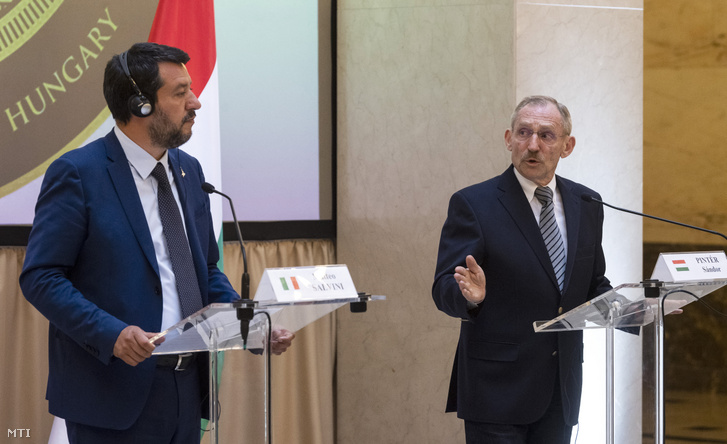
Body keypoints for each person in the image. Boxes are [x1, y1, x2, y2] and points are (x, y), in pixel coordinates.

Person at [20, 42, 294, 443]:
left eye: (192, 90)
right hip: (111, 394)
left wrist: (247, 325)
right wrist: (110, 333)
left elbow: (205, 272)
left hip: (187, 388)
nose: (195, 103)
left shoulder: (188, 171)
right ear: (140, 104)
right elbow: (41, 276)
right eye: (180, 92)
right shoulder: (79, 174)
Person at [432, 95, 612, 443]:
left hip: (561, 387)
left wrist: (646, 306)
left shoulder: (587, 203)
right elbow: (444, 286)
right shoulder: (474, 204)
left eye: (546, 135)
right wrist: (470, 297)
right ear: (508, 139)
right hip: (496, 390)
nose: (533, 145)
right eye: (524, 132)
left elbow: (593, 283)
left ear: (567, 146)